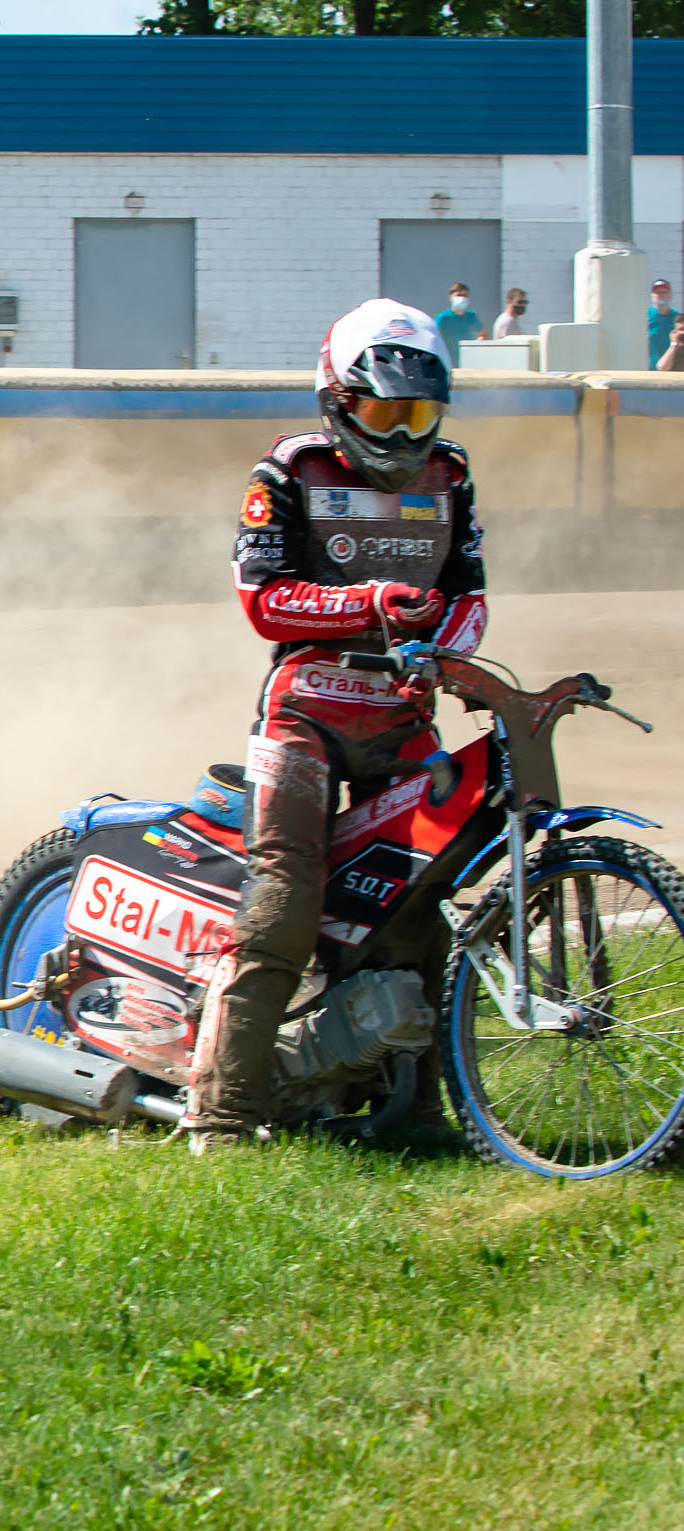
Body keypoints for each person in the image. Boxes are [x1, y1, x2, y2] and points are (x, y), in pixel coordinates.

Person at [186, 299, 487, 1149]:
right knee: (283, 909)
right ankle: (224, 1114)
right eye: (384, 410)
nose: (403, 431)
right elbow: (264, 602)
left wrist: (448, 652)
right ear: (337, 397)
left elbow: (471, 597)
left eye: (419, 413)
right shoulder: (286, 472)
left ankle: (415, 1113)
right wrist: (371, 604)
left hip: (404, 716)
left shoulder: (452, 476)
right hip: (305, 712)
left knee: (418, 910)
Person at [432, 284, 482, 364]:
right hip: (449, 360)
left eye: (465, 295)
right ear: (451, 297)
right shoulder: (443, 318)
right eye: (459, 295)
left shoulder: (471, 316)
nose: (462, 298)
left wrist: (477, 343)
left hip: (468, 359)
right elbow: (434, 338)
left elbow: (483, 334)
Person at [653, 281, 678, 367]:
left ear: (670, 295)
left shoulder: (678, 318)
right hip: (647, 371)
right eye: (658, 293)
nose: (662, 295)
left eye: (665, 292)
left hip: (672, 371)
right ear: (652, 296)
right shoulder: (644, 317)